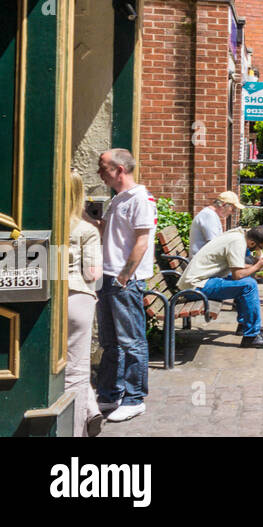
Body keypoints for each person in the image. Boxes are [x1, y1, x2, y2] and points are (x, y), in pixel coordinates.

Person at [92, 148, 155, 424]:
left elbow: (143, 239)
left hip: (123, 281)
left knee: (131, 340)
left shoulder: (140, 198)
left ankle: (134, 398)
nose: (99, 172)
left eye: (102, 167)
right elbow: (111, 233)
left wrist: (124, 276)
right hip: (108, 277)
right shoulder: (119, 198)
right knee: (110, 341)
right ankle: (110, 393)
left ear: (119, 169)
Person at [178, 225, 263, 348]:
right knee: (249, 285)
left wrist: (257, 263)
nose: (260, 250)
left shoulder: (238, 236)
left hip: (200, 281)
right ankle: (251, 336)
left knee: (246, 282)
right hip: (196, 286)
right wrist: (256, 266)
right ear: (252, 243)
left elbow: (238, 267)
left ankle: (246, 325)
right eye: (261, 247)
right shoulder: (238, 244)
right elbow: (238, 275)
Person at [66, 171, 103, 437]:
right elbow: (92, 274)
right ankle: (78, 428)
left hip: (47, 299)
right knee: (76, 370)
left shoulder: (42, 225)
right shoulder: (85, 229)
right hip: (77, 298)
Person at [190, 191, 244, 255]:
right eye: (233, 209)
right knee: (246, 262)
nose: (233, 213)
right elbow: (215, 245)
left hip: (206, 258)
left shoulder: (211, 215)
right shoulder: (209, 216)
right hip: (203, 262)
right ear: (223, 205)